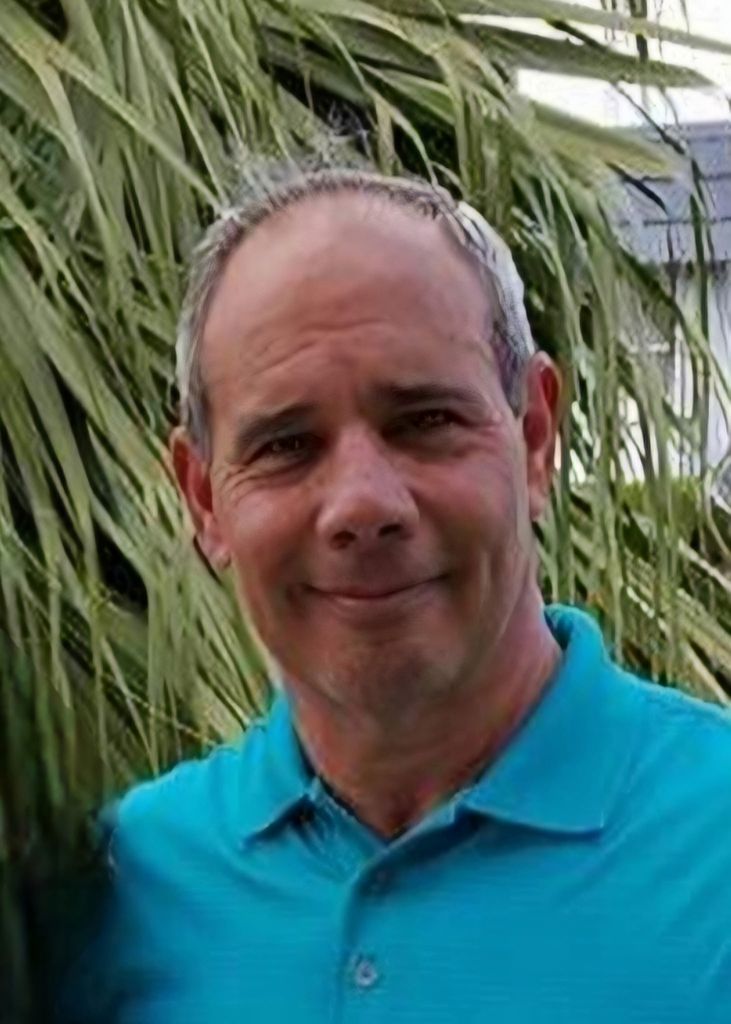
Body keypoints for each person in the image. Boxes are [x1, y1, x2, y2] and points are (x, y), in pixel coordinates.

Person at [58, 165, 731, 1022]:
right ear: (203, 500)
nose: (361, 505)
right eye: (286, 445)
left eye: (424, 421)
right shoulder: (117, 893)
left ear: (533, 437)